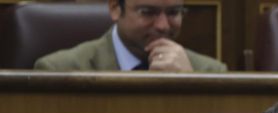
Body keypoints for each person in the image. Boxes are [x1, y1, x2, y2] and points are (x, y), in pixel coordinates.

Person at [34, 0, 226, 72]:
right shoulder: (59, 70)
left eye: (173, 12)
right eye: (148, 12)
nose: (163, 25)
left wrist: (190, 87)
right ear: (115, 8)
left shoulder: (209, 72)